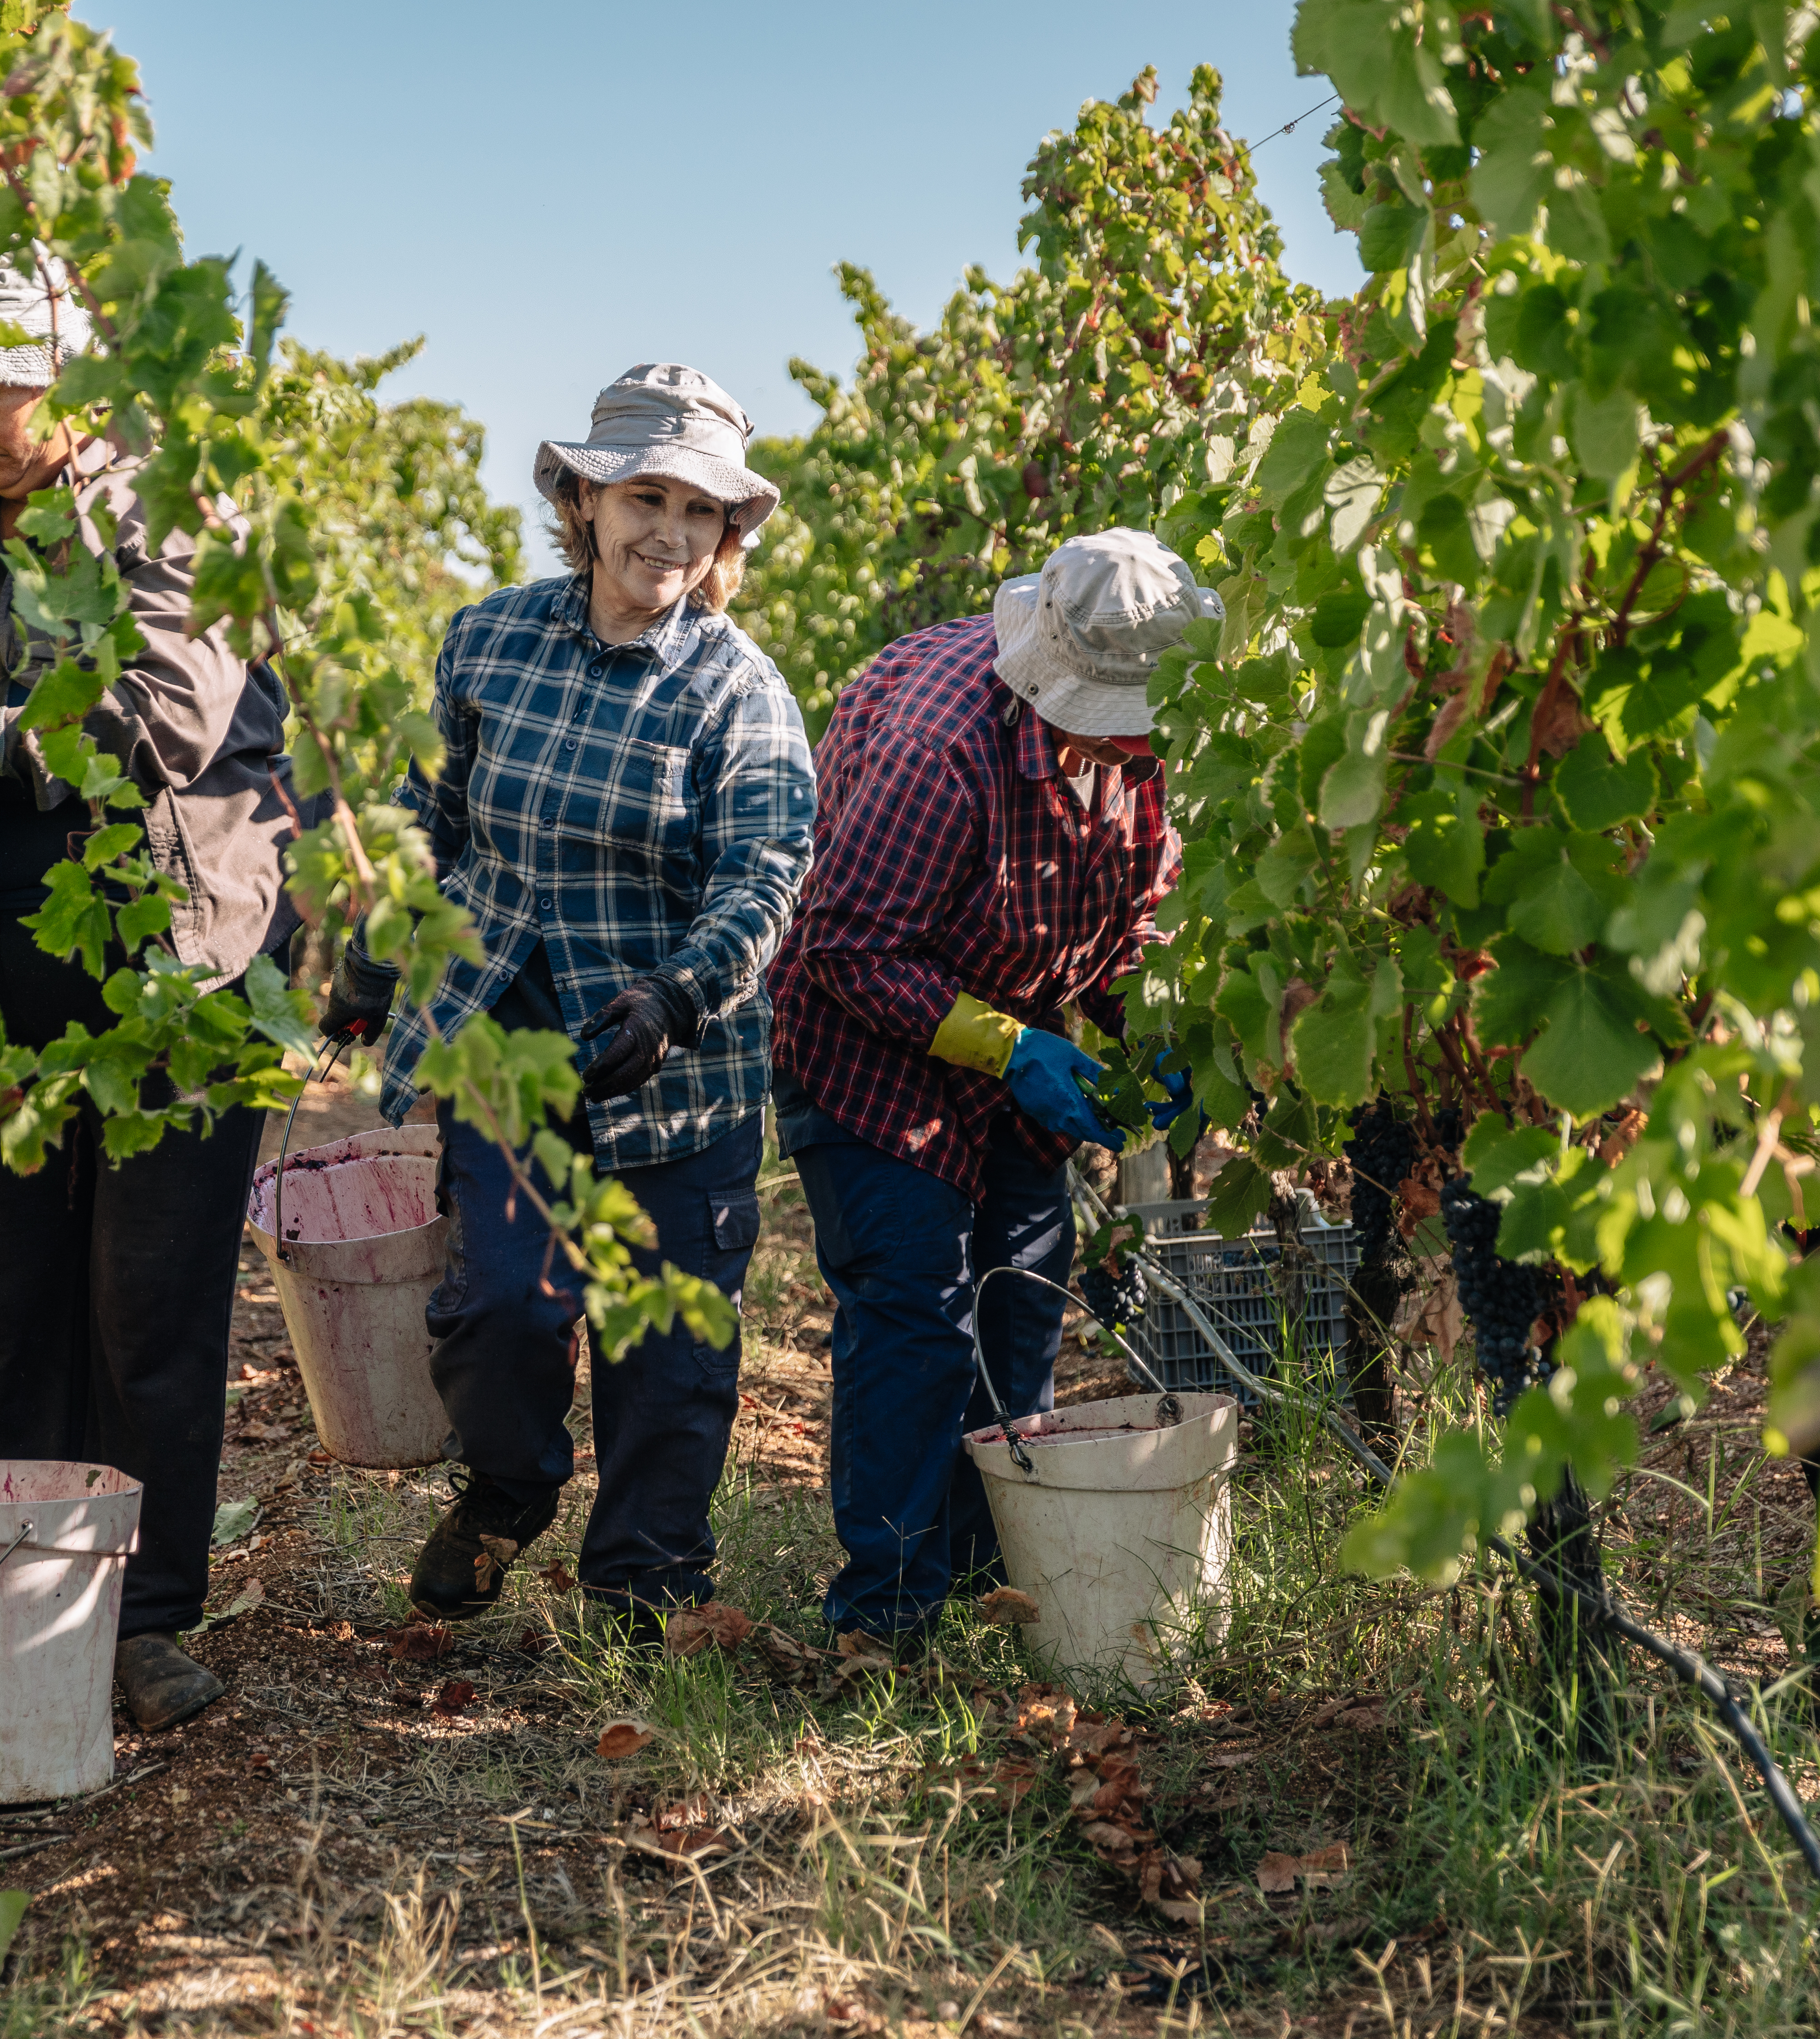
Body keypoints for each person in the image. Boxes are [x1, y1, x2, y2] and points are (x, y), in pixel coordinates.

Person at [0, 230, 294, 1731]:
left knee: (148, 1301)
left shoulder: (178, 513)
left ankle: (149, 1617)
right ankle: (31, 1595)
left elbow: (165, 717)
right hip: (2, 971)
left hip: (180, 964)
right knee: (13, 1293)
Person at [317, 365, 817, 1633]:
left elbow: (763, 877)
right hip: (498, 1038)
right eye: (647, 496)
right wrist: (375, 956)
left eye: (703, 512)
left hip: (669, 1063)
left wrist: (672, 998)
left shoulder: (738, 691)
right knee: (497, 1306)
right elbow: (426, 816)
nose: (672, 531)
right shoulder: (488, 637)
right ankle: (508, 1489)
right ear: (584, 501)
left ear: (727, 537)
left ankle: (645, 1588)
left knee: (671, 1361)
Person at [764, 529, 1215, 1654]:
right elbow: (843, 946)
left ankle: (985, 1585)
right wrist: (1011, 1047)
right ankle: (886, 1612)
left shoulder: (1146, 745)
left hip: (1017, 1031)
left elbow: (1137, 914)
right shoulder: (943, 744)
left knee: (1020, 1299)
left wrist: (1142, 1023)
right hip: (868, 1049)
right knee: (918, 1307)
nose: (1121, 740)